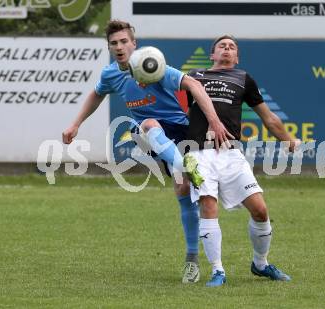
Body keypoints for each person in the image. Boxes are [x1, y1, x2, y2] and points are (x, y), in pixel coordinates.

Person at [62, 20, 233, 284]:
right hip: (150, 133)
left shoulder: (153, 65)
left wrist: (213, 121)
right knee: (146, 125)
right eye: (114, 43)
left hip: (179, 130)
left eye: (123, 42)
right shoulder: (110, 74)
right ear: (109, 47)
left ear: (134, 44)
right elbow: (96, 94)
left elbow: (194, 86)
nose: (119, 47)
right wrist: (75, 124)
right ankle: (185, 164)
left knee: (183, 190)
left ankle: (191, 259)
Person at [186, 35, 299, 287]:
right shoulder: (193, 77)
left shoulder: (243, 79)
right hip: (197, 153)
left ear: (236, 57)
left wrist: (288, 140)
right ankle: (218, 271)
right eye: (222, 46)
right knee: (208, 205)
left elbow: (269, 118)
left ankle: (260, 264)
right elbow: (178, 111)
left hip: (230, 154)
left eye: (232, 47)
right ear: (212, 55)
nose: (227, 49)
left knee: (260, 210)